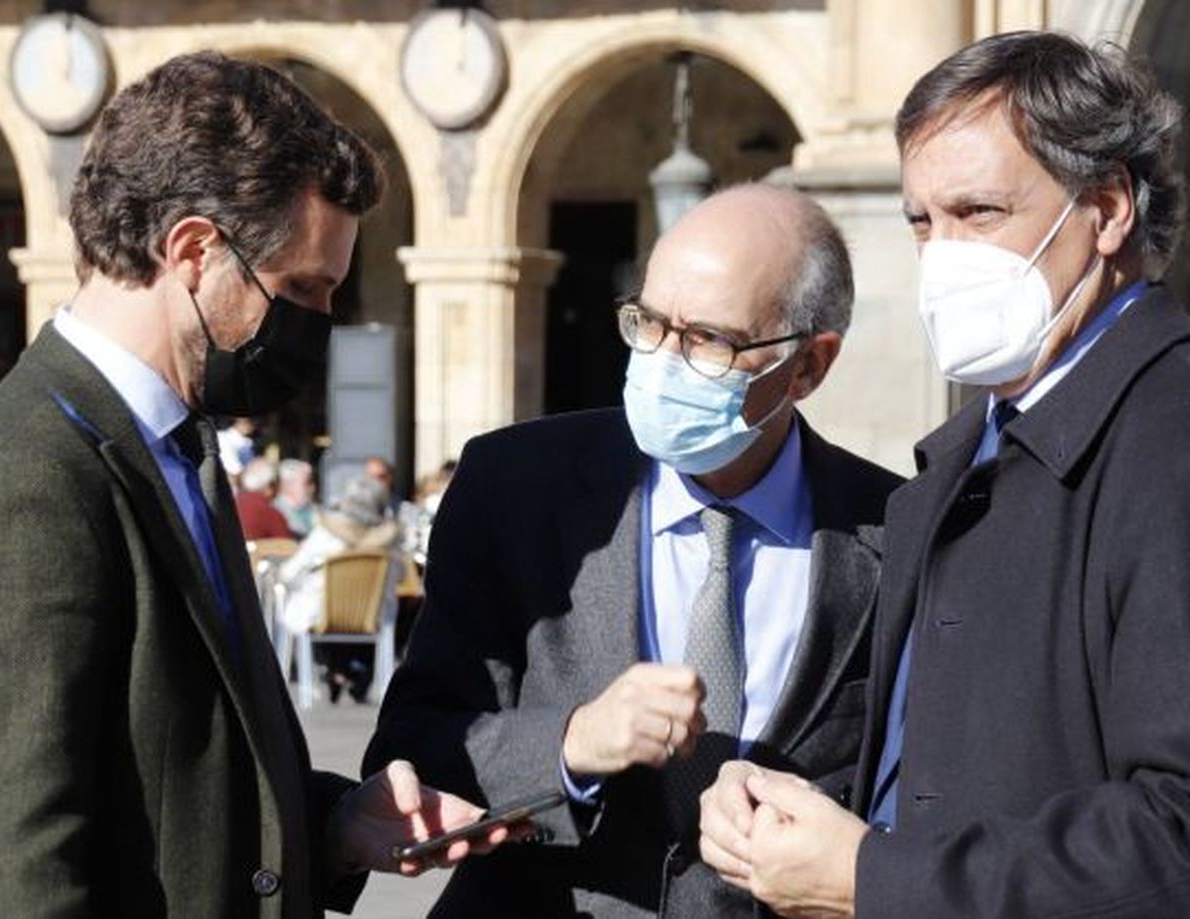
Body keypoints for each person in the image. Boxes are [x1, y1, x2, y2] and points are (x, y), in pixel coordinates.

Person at [699, 32, 1190, 919]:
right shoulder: (967, 450)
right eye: (921, 220)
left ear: (1106, 210)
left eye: (977, 213)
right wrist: (783, 811)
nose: (942, 255)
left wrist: (873, 880)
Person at [0, 52, 510, 918]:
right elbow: (3, 877)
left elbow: (175, 778)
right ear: (192, 249)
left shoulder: (177, 449)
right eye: (302, 288)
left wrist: (332, 822)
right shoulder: (24, 483)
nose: (320, 324)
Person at [363, 183, 903, 918]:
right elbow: (411, 754)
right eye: (648, 323)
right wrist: (571, 741)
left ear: (808, 366)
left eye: (709, 340)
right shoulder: (514, 488)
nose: (664, 359)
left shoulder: (896, 529)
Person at [276, 476, 401, 704]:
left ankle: (337, 670)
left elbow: (290, 572)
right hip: (371, 616)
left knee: (304, 605)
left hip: (323, 615)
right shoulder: (389, 542)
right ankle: (351, 670)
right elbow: (400, 578)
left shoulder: (325, 534)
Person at [236, 456, 297, 540]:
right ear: (270, 486)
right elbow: (288, 546)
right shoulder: (269, 513)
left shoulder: (231, 503)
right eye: (277, 484)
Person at [275, 457, 317, 537]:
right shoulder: (276, 512)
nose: (313, 488)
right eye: (308, 482)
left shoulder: (313, 509)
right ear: (289, 485)